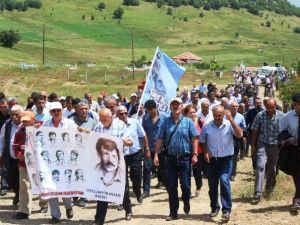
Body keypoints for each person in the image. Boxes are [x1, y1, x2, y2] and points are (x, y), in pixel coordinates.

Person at [153, 97, 198, 221]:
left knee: (186, 185)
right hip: (170, 159)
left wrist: (195, 154)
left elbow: (194, 138)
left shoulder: (188, 122)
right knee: (172, 186)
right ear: (170, 107)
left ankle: (186, 200)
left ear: (181, 106)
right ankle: (173, 212)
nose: (175, 106)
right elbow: (159, 139)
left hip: (185, 159)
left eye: (177, 104)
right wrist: (156, 154)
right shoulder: (165, 122)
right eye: (173, 104)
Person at [200, 105, 243, 222]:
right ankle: (214, 208)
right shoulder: (207, 126)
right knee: (212, 186)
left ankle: (226, 210)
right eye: (215, 115)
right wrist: (206, 151)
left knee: (224, 181)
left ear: (224, 114)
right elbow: (202, 140)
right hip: (212, 160)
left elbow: (240, 135)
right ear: (212, 115)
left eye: (220, 115)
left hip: (226, 159)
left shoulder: (229, 125)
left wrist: (231, 120)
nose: (218, 117)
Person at [93, 108, 133, 225]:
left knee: (122, 187)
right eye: (101, 119)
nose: (102, 121)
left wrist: (125, 142)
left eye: (105, 119)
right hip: (103, 162)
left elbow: (131, 142)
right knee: (102, 188)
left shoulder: (120, 125)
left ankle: (128, 209)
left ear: (111, 117)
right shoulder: (98, 126)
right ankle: (99, 219)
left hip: (119, 161)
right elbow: (93, 141)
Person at [42, 101, 76, 224]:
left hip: (66, 160)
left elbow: (77, 138)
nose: (56, 113)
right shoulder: (45, 125)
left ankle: (69, 206)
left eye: (58, 110)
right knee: (51, 188)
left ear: (62, 111)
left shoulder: (70, 123)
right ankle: (55, 215)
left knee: (65, 186)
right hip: (50, 162)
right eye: (53, 111)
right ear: (50, 112)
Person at [13, 111, 48, 219]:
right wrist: (19, 154)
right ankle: (24, 210)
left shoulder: (42, 127)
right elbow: (15, 146)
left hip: (40, 163)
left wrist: (38, 127)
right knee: (24, 185)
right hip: (24, 163)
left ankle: (44, 204)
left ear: (33, 120)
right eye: (23, 121)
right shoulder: (19, 132)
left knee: (41, 183)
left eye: (27, 121)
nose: (25, 123)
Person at [251, 98, 284, 204]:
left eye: (272, 107)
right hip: (263, 144)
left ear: (275, 106)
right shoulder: (260, 115)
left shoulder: (281, 116)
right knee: (260, 166)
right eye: (268, 107)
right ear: (265, 106)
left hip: (275, 145)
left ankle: (269, 189)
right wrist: (253, 146)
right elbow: (255, 130)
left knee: (272, 169)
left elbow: (285, 131)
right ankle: (257, 193)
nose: (270, 109)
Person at [117, 105, 149, 204]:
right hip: (122, 156)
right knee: (123, 179)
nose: (124, 115)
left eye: (125, 113)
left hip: (135, 154)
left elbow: (143, 136)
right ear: (117, 115)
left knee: (136, 177)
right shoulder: (115, 125)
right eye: (121, 114)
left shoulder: (135, 122)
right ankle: (124, 201)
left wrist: (147, 149)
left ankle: (138, 193)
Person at [279, 92, 300, 211]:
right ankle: (297, 200)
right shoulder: (288, 116)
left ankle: (297, 200)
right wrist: (290, 139)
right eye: (298, 104)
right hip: (294, 151)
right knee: (297, 175)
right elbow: (281, 131)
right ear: (294, 105)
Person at [142, 99, 167, 198]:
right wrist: (146, 148)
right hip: (150, 148)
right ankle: (146, 190)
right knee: (147, 169)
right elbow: (144, 134)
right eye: (147, 110)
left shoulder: (164, 118)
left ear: (155, 108)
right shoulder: (145, 118)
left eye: (150, 109)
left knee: (163, 169)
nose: (149, 111)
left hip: (162, 149)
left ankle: (167, 185)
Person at [0, 104, 24, 205]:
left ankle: (22, 199)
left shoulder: (26, 124)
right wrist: (0, 153)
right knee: (10, 179)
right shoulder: (7, 125)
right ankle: (17, 193)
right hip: (10, 158)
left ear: (21, 114)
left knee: (23, 181)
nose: (14, 117)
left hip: (23, 159)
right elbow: (1, 140)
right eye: (12, 114)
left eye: (17, 114)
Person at [184, 104, 205, 197]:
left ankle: (198, 186)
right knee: (186, 171)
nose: (193, 114)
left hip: (199, 151)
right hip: (186, 151)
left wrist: (196, 124)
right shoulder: (183, 123)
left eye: (194, 112)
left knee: (197, 171)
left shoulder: (201, 122)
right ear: (186, 114)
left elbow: (202, 136)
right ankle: (187, 190)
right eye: (190, 112)